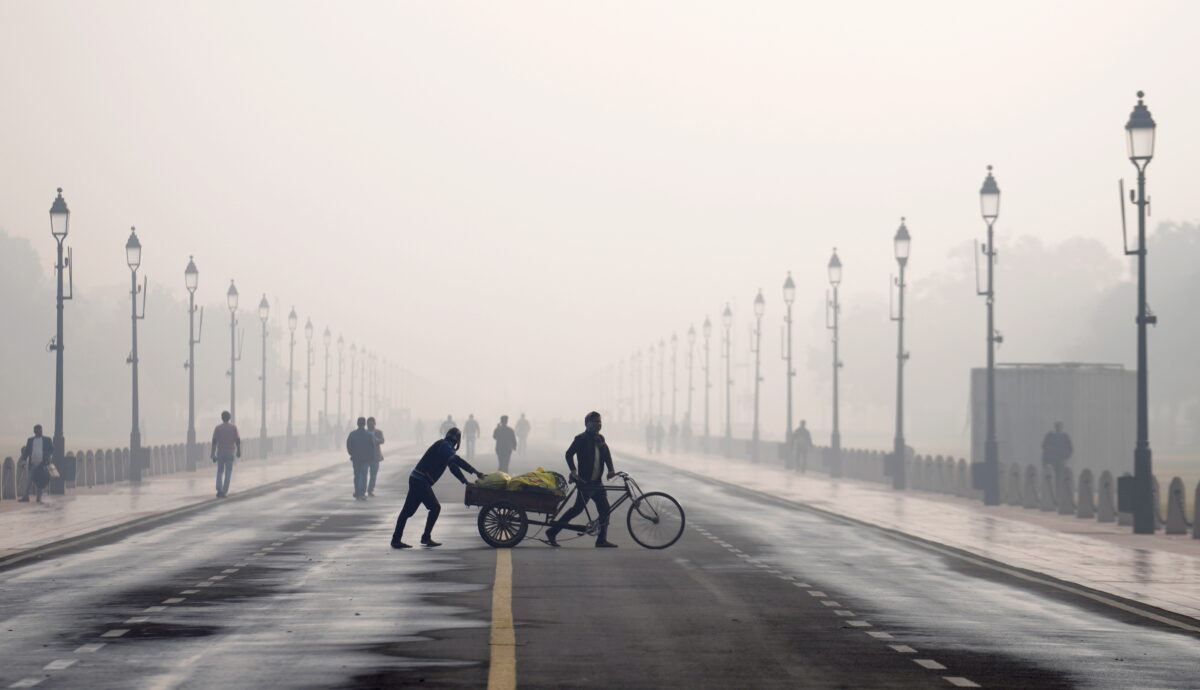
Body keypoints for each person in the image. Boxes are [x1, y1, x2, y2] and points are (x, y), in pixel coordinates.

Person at [391, 427, 484, 548]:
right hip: (420, 481)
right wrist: (475, 472)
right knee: (435, 508)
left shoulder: (444, 446)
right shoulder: (444, 446)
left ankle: (396, 540)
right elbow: (457, 460)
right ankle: (425, 538)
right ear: (457, 440)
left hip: (416, 479)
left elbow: (453, 467)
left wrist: (465, 482)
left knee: (407, 512)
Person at [546, 411, 618, 548]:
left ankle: (601, 540)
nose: (598, 424)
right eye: (595, 422)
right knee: (576, 509)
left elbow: (607, 455)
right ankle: (552, 531)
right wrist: (573, 471)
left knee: (605, 510)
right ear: (586, 424)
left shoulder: (600, 439)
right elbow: (568, 454)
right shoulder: (581, 439)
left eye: (599, 421)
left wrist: (611, 470)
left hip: (597, 483)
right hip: (585, 483)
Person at [18, 424, 54, 503]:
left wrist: (47, 455)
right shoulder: (30, 440)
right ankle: (25, 496)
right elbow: (26, 451)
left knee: (40, 480)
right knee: (29, 480)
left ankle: (38, 498)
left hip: (43, 464)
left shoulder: (47, 440)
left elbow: (52, 449)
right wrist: (23, 461)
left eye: (41, 430)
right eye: (38, 430)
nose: (40, 432)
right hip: (33, 464)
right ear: (34, 431)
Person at [210, 411, 241, 498]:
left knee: (220, 471)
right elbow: (237, 440)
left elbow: (214, 441)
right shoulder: (234, 427)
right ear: (229, 418)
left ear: (222, 418)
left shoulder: (218, 428)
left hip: (220, 453)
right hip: (230, 452)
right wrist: (239, 451)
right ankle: (224, 491)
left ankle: (219, 489)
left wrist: (212, 454)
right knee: (228, 472)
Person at [346, 417, 376, 501]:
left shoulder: (352, 434)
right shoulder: (369, 434)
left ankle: (357, 492)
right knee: (364, 475)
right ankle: (362, 493)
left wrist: (352, 454)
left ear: (357, 423)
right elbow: (372, 447)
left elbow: (349, 445)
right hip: (366, 459)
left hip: (356, 458)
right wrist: (372, 458)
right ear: (365, 424)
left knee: (357, 475)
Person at [367, 417, 385, 497]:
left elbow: (382, 441)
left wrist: (376, 439)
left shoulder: (378, 432)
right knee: (363, 474)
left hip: (376, 456)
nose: (370, 424)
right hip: (366, 457)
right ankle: (362, 490)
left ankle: (370, 489)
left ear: (374, 423)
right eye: (368, 423)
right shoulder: (365, 432)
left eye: (371, 422)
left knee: (373, 474)